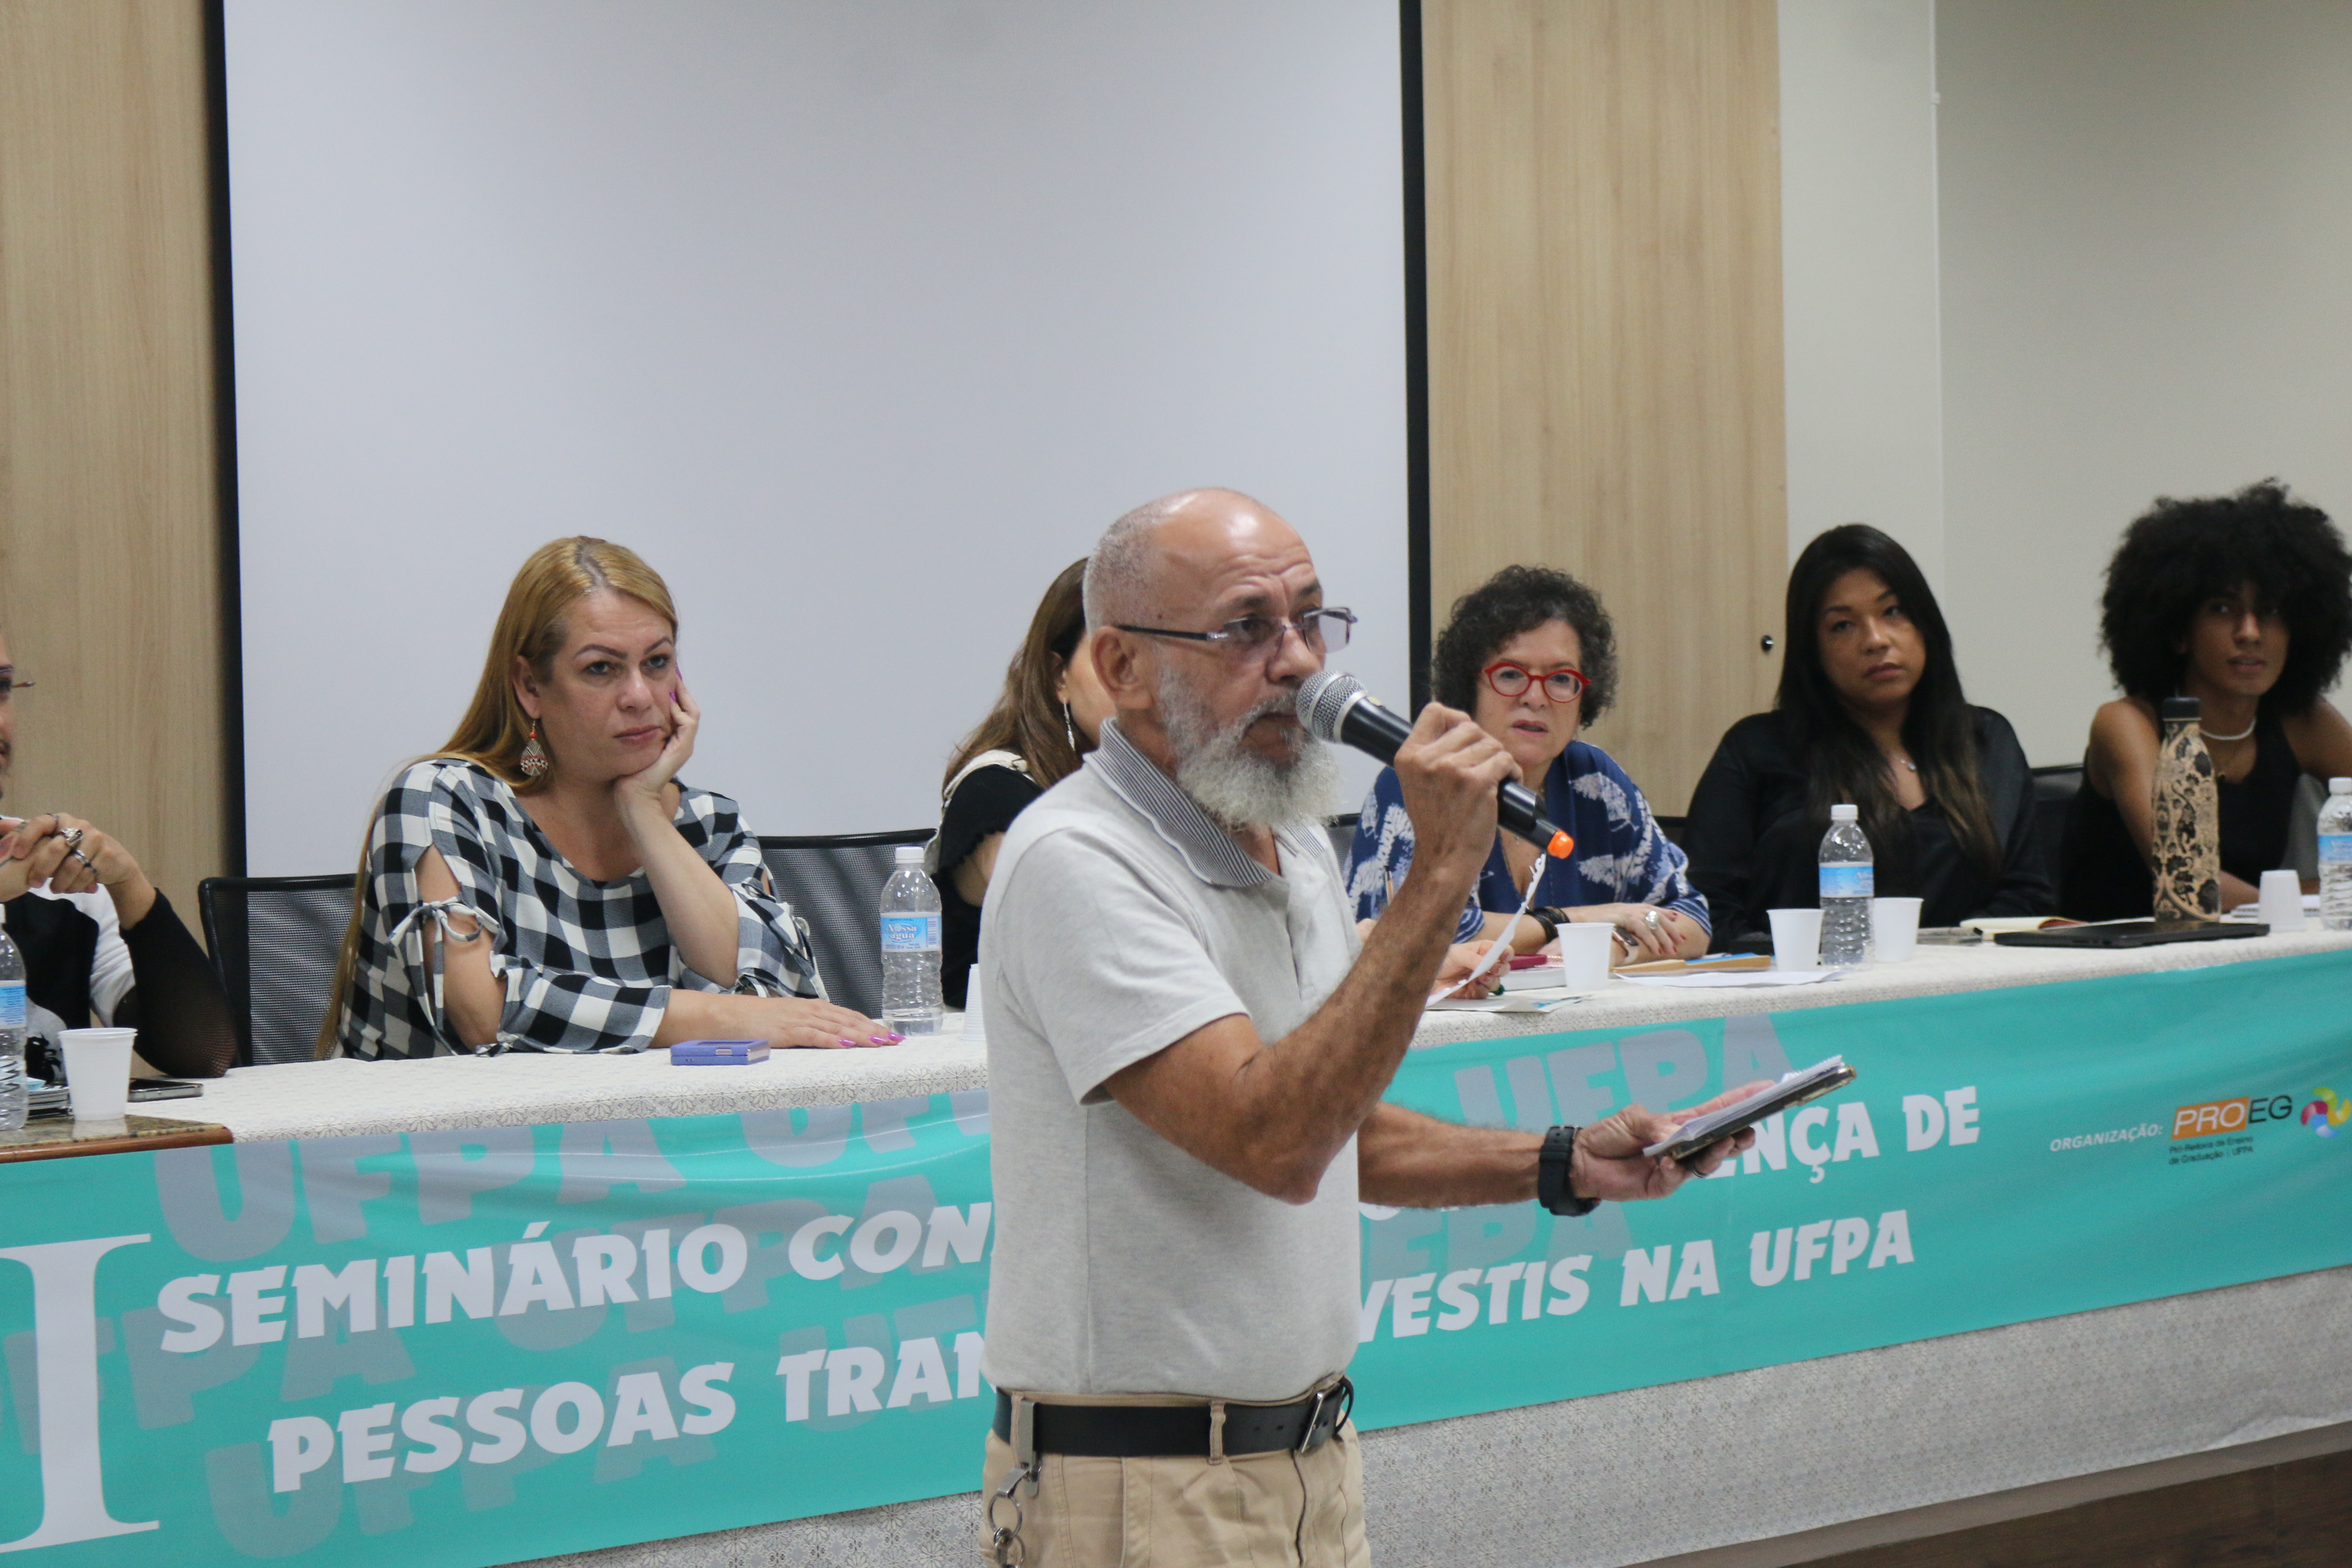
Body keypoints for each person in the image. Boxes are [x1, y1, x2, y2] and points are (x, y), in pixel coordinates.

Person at [975, 488, 1759, 1565]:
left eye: (1309, 619)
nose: (1297, 661)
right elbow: (1274, 1141)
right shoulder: (1077, 859)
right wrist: (1442, 871)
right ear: (1118, 668)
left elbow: (1341, 1125)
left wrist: (1565, 1160)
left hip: (1307, 1462)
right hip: (1140, 1493)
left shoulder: (1287, 839)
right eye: (1246, 627)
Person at [322, 537, 891, 1059]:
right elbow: (483, 1013)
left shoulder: (709, 823)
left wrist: (645, 813)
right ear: (529, 686)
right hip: (433, 1158)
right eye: (602, 669)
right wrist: (714, 1014)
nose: (640, 696)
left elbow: (783, 1000)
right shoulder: (443, 801)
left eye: (658, 662)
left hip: (637, 1151)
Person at [1684, 524, 2050, 948]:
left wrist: (1934, 960)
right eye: (1843, 626)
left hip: (1964, 995)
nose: (1876, 640)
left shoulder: (1986, 742)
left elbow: (2028, 900)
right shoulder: (1756, 750)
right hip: (1806, 997)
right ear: (1813, 651)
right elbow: (1706, 913)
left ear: (1924, 622)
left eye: (1892, 611)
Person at [1345, 565, 1708, 966]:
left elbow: (1691, 917)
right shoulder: (1422, 778)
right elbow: (1432, 932)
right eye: (1511, 674)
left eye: (1561, 679)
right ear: (1470, 688)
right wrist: (1577, 921)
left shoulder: (1595, 781)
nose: (1536, 697)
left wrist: (1619, 946)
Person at [2062, 481, 2352, 918]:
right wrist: (2322, 893)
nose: (2250, 632)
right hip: (2114, 969)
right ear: (2179, 630)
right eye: (2222, 609)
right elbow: (2193, 885)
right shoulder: (2126, 725)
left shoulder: (2305, 723)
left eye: (2270, 611)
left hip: (2244, 960)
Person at [0, 631, 236, 1079]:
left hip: (55, 1150)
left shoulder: (48, 873)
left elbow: (203, 1054)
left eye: (1, 688)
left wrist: (130, 886)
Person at [932, 560, 1115, 1007]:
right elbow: (1097, 935)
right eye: (1114, 658)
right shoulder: (997, 790)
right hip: (992, 1062)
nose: (1139, 681)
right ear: (1059, 678)